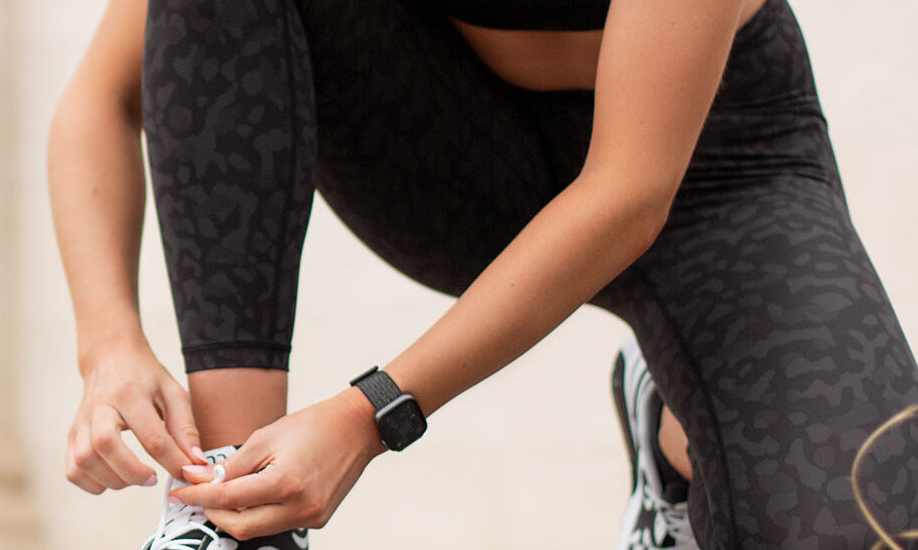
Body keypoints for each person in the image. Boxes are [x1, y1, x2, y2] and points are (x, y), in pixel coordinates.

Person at [47, 0, 918, 548]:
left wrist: (368, 416)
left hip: (711, 172)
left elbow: (628, 191)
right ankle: (235, 510)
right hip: (458, 146)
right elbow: (101, 100)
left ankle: (680, 436)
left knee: (872, 525)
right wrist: (109, 344)